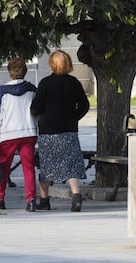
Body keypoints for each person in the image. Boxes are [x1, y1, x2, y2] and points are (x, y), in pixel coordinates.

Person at [31, 50, 89, 212]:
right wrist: (73, 118)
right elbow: (84, 105)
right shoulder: (74, 82)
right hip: (69, 129)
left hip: (48, 130)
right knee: (70, 163)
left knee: (47, 165)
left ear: (51, 64)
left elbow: (36, 107)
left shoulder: (45, 83)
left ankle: (44, 200)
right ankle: (76, 197)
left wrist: (41, 115)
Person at [0, 57, 38, 211]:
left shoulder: (2, 91)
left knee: (3, 167)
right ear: (25, 72)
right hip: (28, 132)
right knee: (28, 168)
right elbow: (37, 112)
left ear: (9, 73)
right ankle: (31, 200)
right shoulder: (32, 90)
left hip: (8, 134)